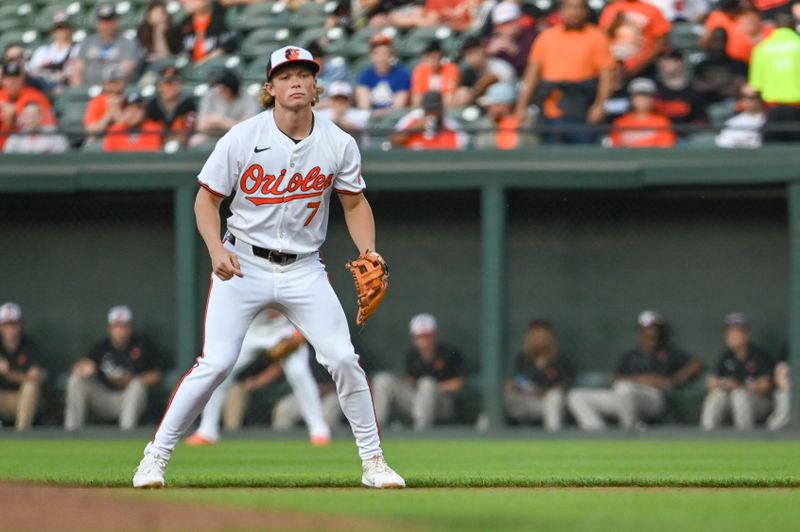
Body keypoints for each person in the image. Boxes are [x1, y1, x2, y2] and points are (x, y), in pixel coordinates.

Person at [133, 45, 405, 489]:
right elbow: (207, 201)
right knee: (216, 362)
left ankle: (374, 462)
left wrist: (370, 251)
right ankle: (154, 457)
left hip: (304, 269)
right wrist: (214, 249)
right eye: (285, 75)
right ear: (269, 87)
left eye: (304, 74)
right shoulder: (241, 137)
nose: (295, 81)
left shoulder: (338, 142)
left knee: (342, 357)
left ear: (316, 85)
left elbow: (354, 203)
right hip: (244, 263)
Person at [185, 309, 332, 446]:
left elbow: (309, 301)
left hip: (285, 328)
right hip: (251, 328)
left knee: (298, 372)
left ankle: (318, 429)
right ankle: (207, 430)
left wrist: (301, 332)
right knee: (220, 369)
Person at [568, 311, 701, 430]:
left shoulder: (669, 353)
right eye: (647, 330)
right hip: (625, 397)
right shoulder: (631, 356)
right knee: (576, 396)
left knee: (625, 388)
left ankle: (630, 431)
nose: (651, 333)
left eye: (654, 329)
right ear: (640, 333)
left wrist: (674, 380)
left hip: (654, 399)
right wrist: (644, 380)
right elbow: (613, 378)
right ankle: (599, 435)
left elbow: (696, 364)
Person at [515, 0, 615, 144]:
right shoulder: (546, 37)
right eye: (569, 8)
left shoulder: (597, 37)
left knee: (582, 154)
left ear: (586, 11)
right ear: (560, 11)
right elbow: (531, 76)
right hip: (549, 107)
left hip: (581, 107)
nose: (574, 12)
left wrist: (600, 105)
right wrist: (521, 106)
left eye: (578, 8)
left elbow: (607, 76)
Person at [65, 306, 164, 430]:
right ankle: (71, 431)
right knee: (76, 380)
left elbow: (157, 374)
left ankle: (127, 433)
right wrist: (83, 369)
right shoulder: (102, 346)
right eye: (117, 326)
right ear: (110, 328)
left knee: (137, 386)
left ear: (131, 327)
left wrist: (132, 380)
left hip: (128, 397)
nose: (121, 330)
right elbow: (78, 367)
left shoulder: (142, 345)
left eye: (124, 326)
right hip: (103, 397)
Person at [372, 314, 465, 429]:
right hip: (416, 401)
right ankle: (376, 428)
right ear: (414, 338)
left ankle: (421, 431)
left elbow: (460, 383)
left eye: (427, 336)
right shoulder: (412, 355)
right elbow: (411, 380)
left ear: (435, 335)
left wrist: (433, 387)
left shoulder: (448, 353)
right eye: (419, 336)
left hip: (442, 403)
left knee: (427, 384)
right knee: (382, 379)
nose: (424, 340)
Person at [700, 313, 775, 430]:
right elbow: (711, 384)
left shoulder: (760, 355)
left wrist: (740, 386)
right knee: (717, 395)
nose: (734, 335)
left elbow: (765, 386)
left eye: (738, 332)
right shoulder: (725, 356)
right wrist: (724, 384)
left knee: (739, 395)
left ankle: (744, 438)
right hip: (730, 402)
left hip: (759, 403)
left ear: (747, 334)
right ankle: (706, 434)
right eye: (730, 332)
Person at [504, 320, 572, 431]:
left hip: (549, 403)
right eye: (537, 335)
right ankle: (482, 436)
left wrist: (544, 391)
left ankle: (553, 437)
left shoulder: (559, 359)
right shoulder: (523, 358)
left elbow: (565, 383)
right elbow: (519, 381)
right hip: (527, 401)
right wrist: (512, 386)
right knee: (497, 399)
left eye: (543, 335)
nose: (540, 338)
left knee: (554, 397)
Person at [749, 14, 800, 143]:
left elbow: (755, 86)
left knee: (773, 154)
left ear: (775, 27)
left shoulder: (761, 48)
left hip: (772, 111)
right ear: (794, 26)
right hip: (797, 109)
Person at [70, 3, 142, 86]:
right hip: (88, 89)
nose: (106, 25)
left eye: (109, 21)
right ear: (97, 23)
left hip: (115, 91)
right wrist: (79, 90)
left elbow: (126, 71)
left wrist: (108, 87)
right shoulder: (88, 42)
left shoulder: (128, 43)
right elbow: (78, 69)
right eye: (102, 21)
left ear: (117, 21)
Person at [598, 0, 671, 78]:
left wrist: (643, 64)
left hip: (644, 68)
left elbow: (661, 42)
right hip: (614, 68)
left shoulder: (652, 10)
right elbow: (602, 37)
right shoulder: (611, 9)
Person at [0, 303, 44, 430]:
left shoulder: (30, 347)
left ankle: (21, 435)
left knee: (31, 386)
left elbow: (35, 378)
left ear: (20, 325)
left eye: (13, 324)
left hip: (20, 399)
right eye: (6, 325)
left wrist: (7, 372)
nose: (10, 329)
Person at [189, 69, 260, 147]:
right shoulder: (211, 94)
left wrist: (220, 121)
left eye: (223, 89)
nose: (218, 91)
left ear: (231, 89)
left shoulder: (247, 97)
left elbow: (249, 128)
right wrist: (233, 123)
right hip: (212, 134)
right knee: (194, 141)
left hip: (237, 137)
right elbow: (201, 125)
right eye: (218, 88)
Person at [0, 60, 56, 151]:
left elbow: (48, 124)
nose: (12, 82)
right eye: (8, 78)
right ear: (2, 80)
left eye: (16, 78)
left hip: (27, 148)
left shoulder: (36, 96)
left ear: (22, 79)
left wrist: (15, 113)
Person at [609, 77, 676, 148]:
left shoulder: (662, 122)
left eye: (647, 95)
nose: (643, 99)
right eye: (638, 95)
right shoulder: (620, 123)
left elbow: (665, 149)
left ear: (653, 99)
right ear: (631, 98)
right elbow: (616, 149)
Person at [355, 34, 411, 117]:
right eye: (377, 53)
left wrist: (379, 113)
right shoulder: (366, 75)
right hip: (370, 117)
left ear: (391, 55)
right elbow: (364, 106)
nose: (381, 57)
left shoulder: (402, 75)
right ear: (371, 56)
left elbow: (398, 106)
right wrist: (370, 114)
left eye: (385, 53)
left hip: (393, 118)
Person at [391, 90, 467, 149]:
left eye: (435, 109)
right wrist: (414, 128)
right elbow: (393, 140)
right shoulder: (413, 117)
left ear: (441, 109)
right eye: (429, 109)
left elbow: (463, 143)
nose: (432, 113)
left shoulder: (449, 123)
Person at [454, 35, 517, 107]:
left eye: (474, 52)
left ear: (482, 49)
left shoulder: (500, 68)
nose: (472, 57)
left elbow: (509, 94)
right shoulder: (466, 72)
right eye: (468, 54)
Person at [693, 28, 749, 106]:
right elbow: (696, 86)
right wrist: (722, 85)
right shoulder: (702, 65)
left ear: (726, 42)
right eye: (715, 40)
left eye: (721, 40)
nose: (718, 44)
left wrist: (710, 86)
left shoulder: (739, 65)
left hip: (731, 106)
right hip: (706, 105)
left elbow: (737, 90)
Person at [653, 50, 705, 132]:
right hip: (658, 136)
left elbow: (700, 119)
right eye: (661, 59)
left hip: (686, 138)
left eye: (671, 59)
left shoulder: (694, 90)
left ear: (681, 62)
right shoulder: (652, 89)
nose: (664, 62)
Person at [473, 83, 536, 149]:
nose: (489, 109)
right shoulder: (486, 124)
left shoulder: (524, 123)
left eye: (493, 105)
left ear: (504, 106)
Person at [145, 66, 197, 146]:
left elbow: (189, 131)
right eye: (167, 83)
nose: (171, 87)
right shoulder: (152, 106)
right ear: (159, 86)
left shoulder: (188, 104)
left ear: (180, 85)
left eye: (175, 83)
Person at [28, 13, 78, 95]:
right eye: (59, 28)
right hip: (43, 86)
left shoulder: (78, 49)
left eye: (66, 27)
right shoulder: (43, 51)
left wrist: (62, 76)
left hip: (65, 87)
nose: (63, 31)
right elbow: (33, 72)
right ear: (53, 30)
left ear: (72, 29)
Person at [484, 2, 537, 77]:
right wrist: (489, 52)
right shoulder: (495, 37)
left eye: (507, 23)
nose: (503, 27)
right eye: (499, 24)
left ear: (518, 20)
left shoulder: (530, 36)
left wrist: (515, 51)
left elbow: (533, 66)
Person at [175, 0, 237, 64]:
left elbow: (228, 46)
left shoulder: (224, 15)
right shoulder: (185, 24)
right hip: (193, 70)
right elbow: (182, 53)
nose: (182, 1)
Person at [410, 41, 461, 109]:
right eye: (430, 57)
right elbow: (417, 94)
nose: (433, 61)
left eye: (435, 57)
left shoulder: (451, 68)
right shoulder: (420, 70)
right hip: (427, 102)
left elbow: (450, 93)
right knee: (417, 98)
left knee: (458, 95)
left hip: (444, 103)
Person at [3, 102, 69, 154]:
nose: (31, 119)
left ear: (41, 117)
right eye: (27, 115)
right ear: (23, 118)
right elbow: (7, 158)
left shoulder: (54, 133)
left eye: (34, 115)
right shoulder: (16, 137)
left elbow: (62, 156)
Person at [83, 65, 127, 141]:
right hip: (101, 139)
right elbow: (91, 130)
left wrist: (116, 112)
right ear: (104, 83)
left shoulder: (131, 101)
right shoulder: (96, 101)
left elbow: (131, 128)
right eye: (111, 81)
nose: (114, 85)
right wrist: (109, 114)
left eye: (118, 81)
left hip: (124, 140)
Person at [766, 347, 790, 431]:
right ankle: (768, 438)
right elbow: (780, 372)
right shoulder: (790, 346)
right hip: (789, 391)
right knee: (786, 397)